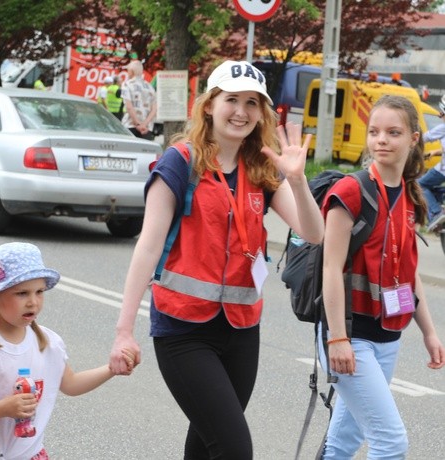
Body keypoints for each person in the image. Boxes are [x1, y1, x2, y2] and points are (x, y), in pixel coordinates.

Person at [108, 60, 325, 459]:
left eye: (251, 103)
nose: (241, 111)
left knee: (207, 445)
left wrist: (297, 179)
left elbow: (314, 233)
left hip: (242, 329)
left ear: (261, 113)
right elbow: (148, 246)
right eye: (231, 100)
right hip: (182, 329)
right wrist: (125, 330)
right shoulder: (181, 161)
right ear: (209, 104)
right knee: (234, 447)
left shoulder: (260, 167)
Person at [319, 95, 444, 459]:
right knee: (391, 441)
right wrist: (338, 338)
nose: (381, 140)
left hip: (388, 338)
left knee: (343, 441)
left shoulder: (411, 195)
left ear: (413, 139)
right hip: (350, 337)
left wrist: (430, 332)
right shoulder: (350, 191)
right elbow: (330, 268)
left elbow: (409, 274)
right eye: (374, 132)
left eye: (393, 132)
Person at [0, 242, 136, 460]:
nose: (33, 302)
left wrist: (111, 369)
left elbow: (71, 384)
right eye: (22, 293)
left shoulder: (47, 342)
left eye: (39, 292)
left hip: (28, 454)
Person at [417, 95, 445, 231]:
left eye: (441, 113)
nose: (440, 117)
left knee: (419, 185)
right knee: (430, 186)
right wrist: (434, 152)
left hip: (443, 170)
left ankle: (436, 212)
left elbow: (424, 138)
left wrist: (408, 142)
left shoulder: (443, 128)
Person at [121, 60, 157, 140]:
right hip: (146, 129)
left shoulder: (127, 84)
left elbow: (129, 107)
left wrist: (138, 124)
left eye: (128, 71)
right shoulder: (150, 87)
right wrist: (144, 124)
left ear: (131, 71)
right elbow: (154, 109)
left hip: (130, 126)